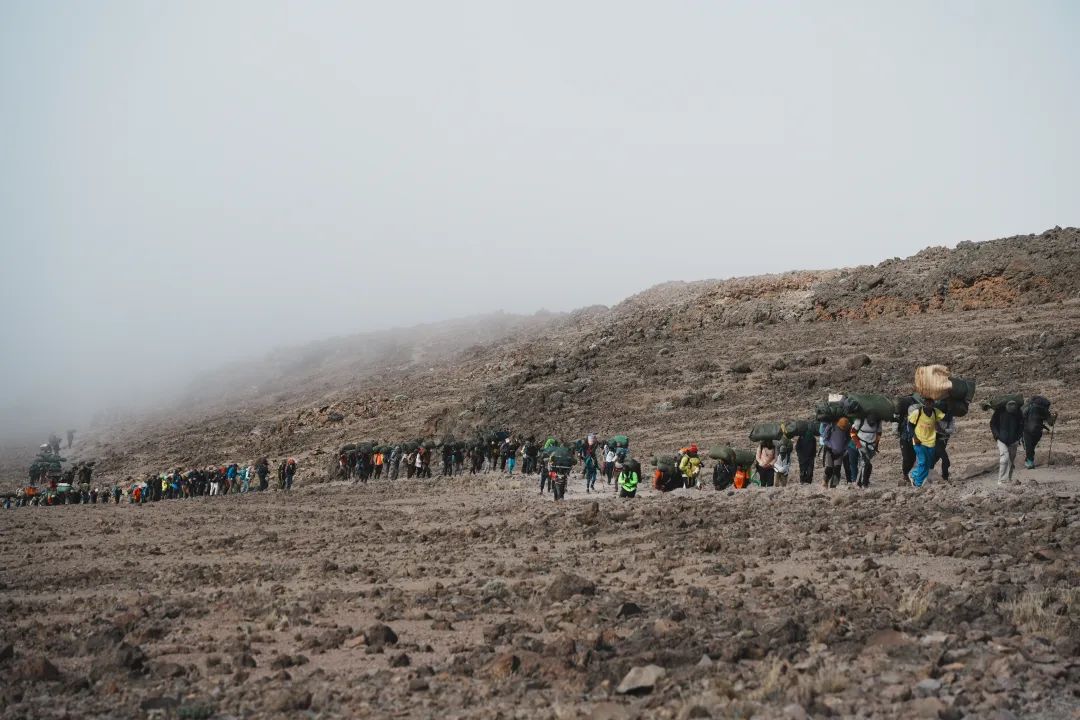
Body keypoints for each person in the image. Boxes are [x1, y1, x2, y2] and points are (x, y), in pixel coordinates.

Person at [908, 398, 944, 488]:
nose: (929, 404)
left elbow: (945, 417)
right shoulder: (917, 412)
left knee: (928, 463)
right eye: (927, 402)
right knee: (923, 461)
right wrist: (914, 437)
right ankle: (917, 484)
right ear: (924, 403)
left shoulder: (935, 412)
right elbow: (910, 425)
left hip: (931, 441)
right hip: (918, 441)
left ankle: (913, 474)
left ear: (934, 403)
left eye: (931, 402)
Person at [991, 399, 1023, 484]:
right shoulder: (999, 411)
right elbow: (993, 424)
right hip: (1001, 440)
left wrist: (1018, 437)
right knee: (1004, 459)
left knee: (1011, 461)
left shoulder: (1018, 412)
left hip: (1014, 440)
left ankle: (1009, 479)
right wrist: (997, 435)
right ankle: (1001, 481)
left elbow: (1022, 424)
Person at [851, 413, 882, 488]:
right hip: (862, 444)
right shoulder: (860, 420)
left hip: (872, 445)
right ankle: (862, 483)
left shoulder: (878, 421)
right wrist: (859, 445)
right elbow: (852, 433)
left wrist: (876, 446)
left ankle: (864, 481)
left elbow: (879, 433)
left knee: (868, 464)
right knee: (864, 463)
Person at [1022, 397, 1052, 469]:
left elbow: (1022, 417)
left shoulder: (1028, 408)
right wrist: (1054, 417)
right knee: (1031, 446)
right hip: (1038, 431)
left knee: (1029, 446)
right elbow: (1051, 423)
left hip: (1027, 430)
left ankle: (1030, 462)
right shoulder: (1044, 409)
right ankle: (1029, 460)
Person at [821, 417, 849, 489]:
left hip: (840, 453)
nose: (843, 428)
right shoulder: (831, 426)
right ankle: (825, 481)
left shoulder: (846, 429)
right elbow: (824, 439)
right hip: (830, 451)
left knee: (837, 470)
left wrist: (845, 449)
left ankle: (833, 486)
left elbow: (847, 440)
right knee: (829, 468)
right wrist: (830, 446)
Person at [932, 414, 955, 482]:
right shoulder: (935, 416)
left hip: (943, 442)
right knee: (946, 460)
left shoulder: (950, 418)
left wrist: (942, 430)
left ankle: (925, 474)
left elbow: (952, 430)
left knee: (934, 459)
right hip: (936, 441)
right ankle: (945, 477)